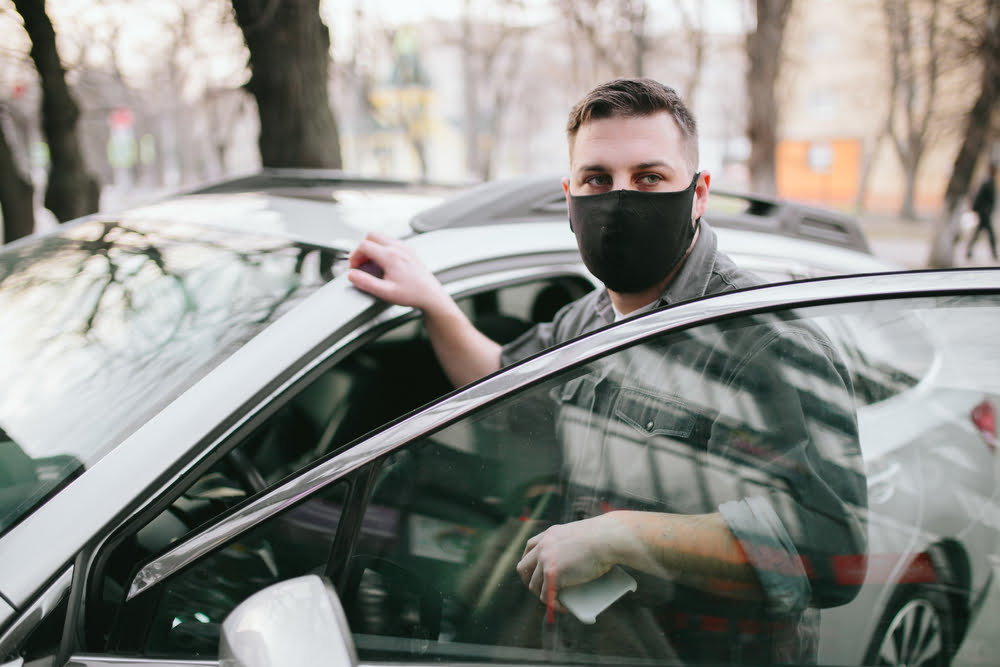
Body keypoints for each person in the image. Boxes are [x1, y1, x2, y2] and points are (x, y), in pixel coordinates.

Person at [349, 78, 866, 664]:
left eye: (649, 178)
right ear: (571, 195)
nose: (620, 198)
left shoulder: (765, 340)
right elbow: (499, 376)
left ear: (698, 194)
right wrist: (435, 303)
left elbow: (832, 550)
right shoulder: (588, 316)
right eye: (598, 179)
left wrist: (623, 535)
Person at [966, 163, 998, 261]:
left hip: (985, 212)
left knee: (978, 233)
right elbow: (980, 198)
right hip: (985, 213)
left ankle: (969, 252)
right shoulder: (988, 183)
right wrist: (980, 210)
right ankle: (994, 254)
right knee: (990, 234)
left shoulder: (990, 182)